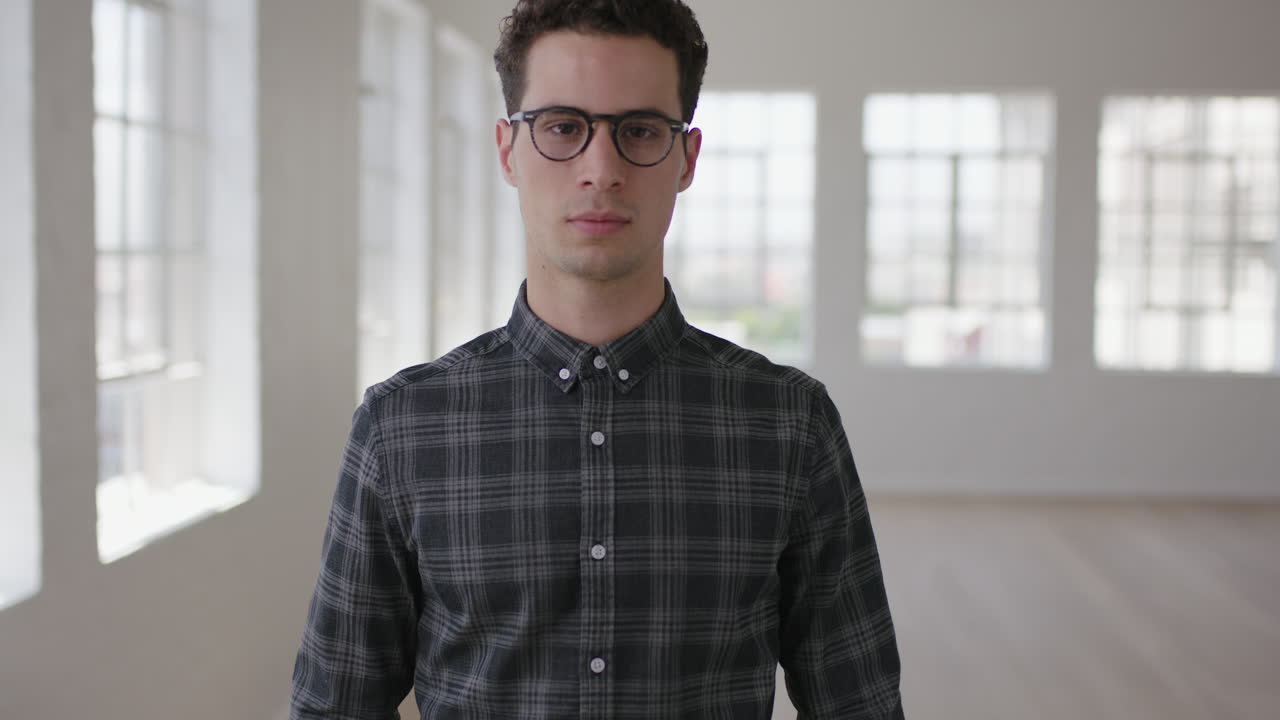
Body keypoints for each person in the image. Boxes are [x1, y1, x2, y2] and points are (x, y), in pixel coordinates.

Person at [290, 0, 904, 717]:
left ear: (687, 158)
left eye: (640, 130)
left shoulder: (790, 425)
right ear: (507, 150)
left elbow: (858, 703)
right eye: (561, 127)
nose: (600, 168)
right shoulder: (401, 428)